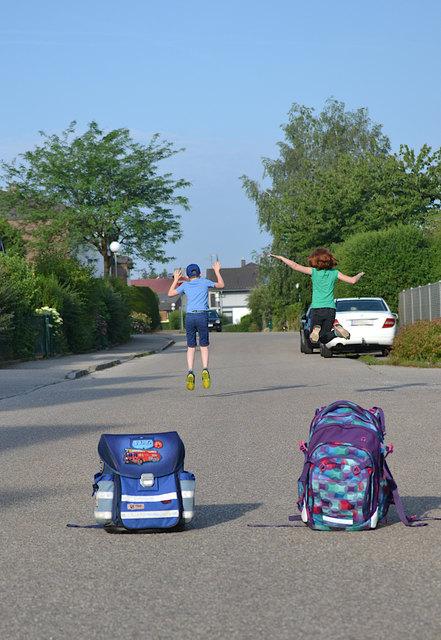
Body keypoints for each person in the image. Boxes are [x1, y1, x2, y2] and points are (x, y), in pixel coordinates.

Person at [268, 248, 364, 345]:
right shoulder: (335, 272)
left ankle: (316, 329)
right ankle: (336, 332)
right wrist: (359, 274)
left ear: (315, 260)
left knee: (314, 338)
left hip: (316, 308)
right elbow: (352, 281)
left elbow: (295, 266)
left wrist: (281, 258)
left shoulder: (313, 272)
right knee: (324, 337)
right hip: (330, 309)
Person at [168, 261, 224, 390]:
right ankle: (205, 369)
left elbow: (170, 293)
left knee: (191, 347)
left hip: (190, 317)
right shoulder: (204, 281)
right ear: (200, 273)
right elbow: (221, 285)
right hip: (202, 316)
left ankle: (190, 371)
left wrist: (176, 279)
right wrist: (216, 271)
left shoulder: (185, 284)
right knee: (203, 346)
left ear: (187, 276)